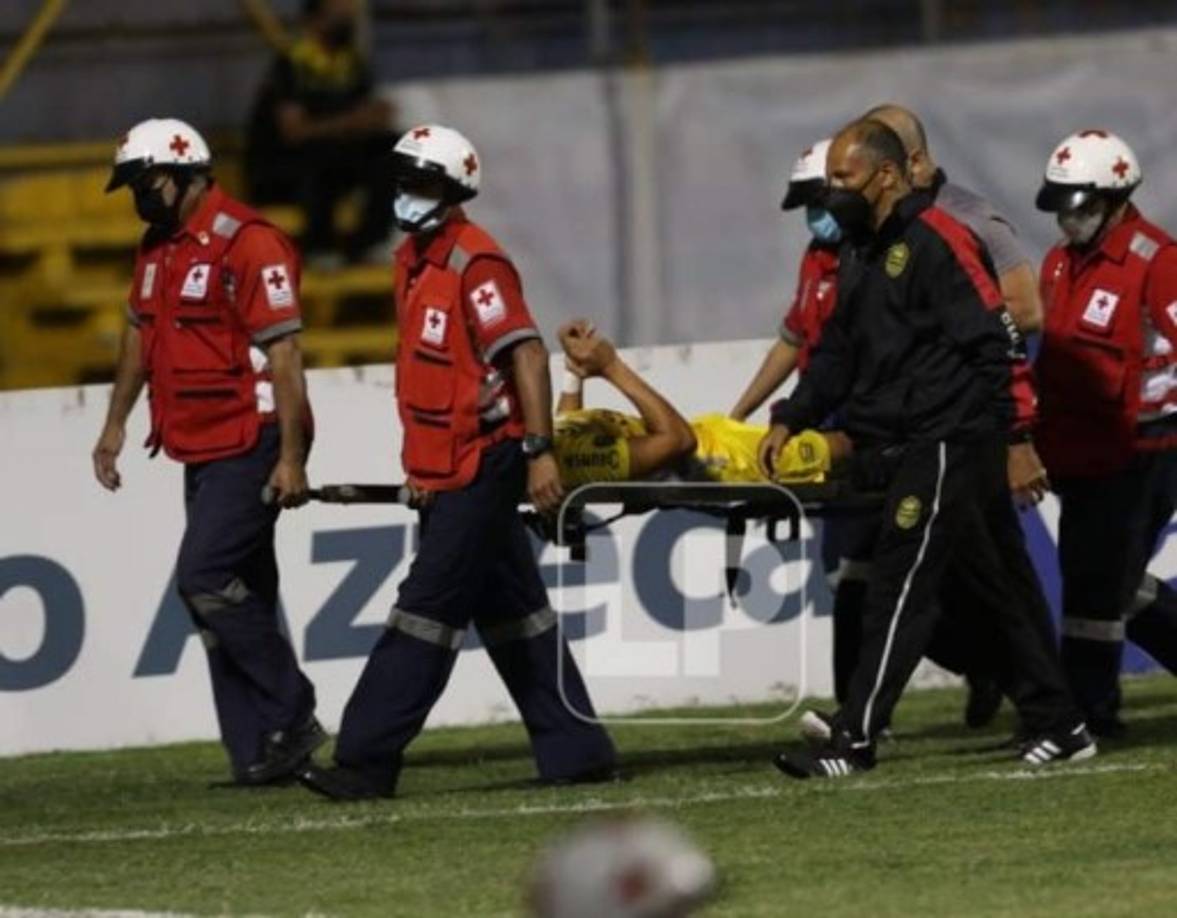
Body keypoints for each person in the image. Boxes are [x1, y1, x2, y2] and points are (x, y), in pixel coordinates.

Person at [762, 119, 1094, 779]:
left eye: (843, 178)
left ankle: (854, 738)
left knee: (899, 582)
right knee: (1001, 584)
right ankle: (1061, 722)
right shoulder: (857, 251)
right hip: (909, 438)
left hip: (951, 436)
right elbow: (835, 349)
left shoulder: (939, 240)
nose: (833, 193)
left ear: (885, 176)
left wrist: (1017, 436)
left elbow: (997, 340)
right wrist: (789, 416)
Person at [297, 125, 616, 801]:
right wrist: (421, 464)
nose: (404, 195)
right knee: (514, 613)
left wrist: (537, 453)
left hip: (488, 462)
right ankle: (576, 746)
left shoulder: (477, 264)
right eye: (402, 181)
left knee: (425, 609)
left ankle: (364, 758)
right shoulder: (413, 262)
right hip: (448, 467)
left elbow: (525, 356)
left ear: (449, 191)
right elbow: (430, 379)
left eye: (418, 184)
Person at [92, 118, 322, 785]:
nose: (139, 197)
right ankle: (258, 750)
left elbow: (285, 353)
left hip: (251, 436)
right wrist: (115, 424)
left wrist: (292, 455)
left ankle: (291, 709)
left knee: (203, 578)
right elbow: (139, 335)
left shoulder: (250, 244)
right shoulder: (156, 247)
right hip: (197, 440)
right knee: (237, 591)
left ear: (189, 173)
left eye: (147, 182)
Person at [1033, 128, 1177, 737]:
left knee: (1101, 583)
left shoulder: (1157, 260)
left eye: (1082, 206)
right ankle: (1086, 709)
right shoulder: (1059, 265)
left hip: (1148, 447)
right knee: (1102, 584)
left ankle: (1087, 712)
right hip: (1078, 448)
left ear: (1117, 199)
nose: (1069, 221)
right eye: (1062, 207)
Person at [554, 320, 851, 488]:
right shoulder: (572, 463)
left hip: (709, 432)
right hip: (713, 459)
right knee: (841, 445)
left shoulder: (550, 446)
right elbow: (678, 441)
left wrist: (573, 370)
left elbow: (568, 427)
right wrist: (611, 367)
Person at [245, 0, 396, 265]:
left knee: (392, 152)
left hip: (337, 161)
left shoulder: (350, 63)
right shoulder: (293, 63)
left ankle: (369, 243)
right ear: (314, 21)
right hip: (282, 171)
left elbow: (368, 113)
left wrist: (370, 118)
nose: (344, 22)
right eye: (336, 16)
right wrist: (348, 123)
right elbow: (294, 131)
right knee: (320, 155)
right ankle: (318, 247)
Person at [730, 138, 840, 422]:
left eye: (819, 202)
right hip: (818, 416)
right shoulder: (816, 256)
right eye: (809, 205)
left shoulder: (872, 259)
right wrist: (738, 415)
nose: (814, 214)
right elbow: (793, 340)